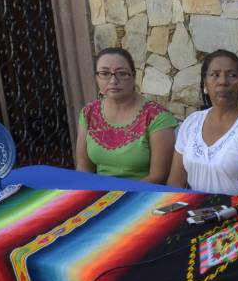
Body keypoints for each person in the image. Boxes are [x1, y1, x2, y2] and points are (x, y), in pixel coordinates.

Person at [167, 50, 238, 196]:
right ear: (205, 84)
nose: (223, 82)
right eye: (215, 75)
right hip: (191, 209)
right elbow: (175, 183)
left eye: (232, 75)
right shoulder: (192, 123)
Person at [75, 47, 177, 182]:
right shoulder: (89, 113)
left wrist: (118, 193)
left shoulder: (156, 117)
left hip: (141, 191)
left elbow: (158, 176)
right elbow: (83, 168)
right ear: (96, 77)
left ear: (133, 77)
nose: (113, 81)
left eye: (122, 73)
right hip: (98, 190)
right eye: (105, 73)